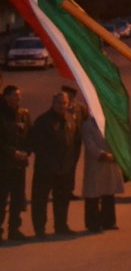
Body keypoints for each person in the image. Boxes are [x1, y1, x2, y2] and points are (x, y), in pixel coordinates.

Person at [29, 91, 81, 237]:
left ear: (68, 104)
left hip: (65, 169)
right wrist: (51, 164)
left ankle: (61, 226)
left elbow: (76, 143)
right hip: (46, 169)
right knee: (40, 200)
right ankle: (40, 229)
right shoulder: (43, 121)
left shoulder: (71, 119)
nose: (61, 106)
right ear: (53, 103)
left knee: (62, 200)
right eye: (58, 103)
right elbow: (37, 145)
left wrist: (71, 163)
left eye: (64, 103)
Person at [80, 115, 123, 232]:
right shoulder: (87, 125)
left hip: (111, 161)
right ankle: (93, 224)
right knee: (93, 193)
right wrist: (102, 154)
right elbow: (89, 143)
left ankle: (108, 222)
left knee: (108, 192)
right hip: (96, 162)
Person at [0, 85, 31, 241]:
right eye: (14, 96)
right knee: (1, 199)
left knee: (17, 199)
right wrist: (13, 153)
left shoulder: (24, 114)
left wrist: (27, 152)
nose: (18, 98)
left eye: (19, 95)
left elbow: (29, 136)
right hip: (4, 165)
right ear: (6, 97)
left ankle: (14, 230)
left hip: (19, 165)